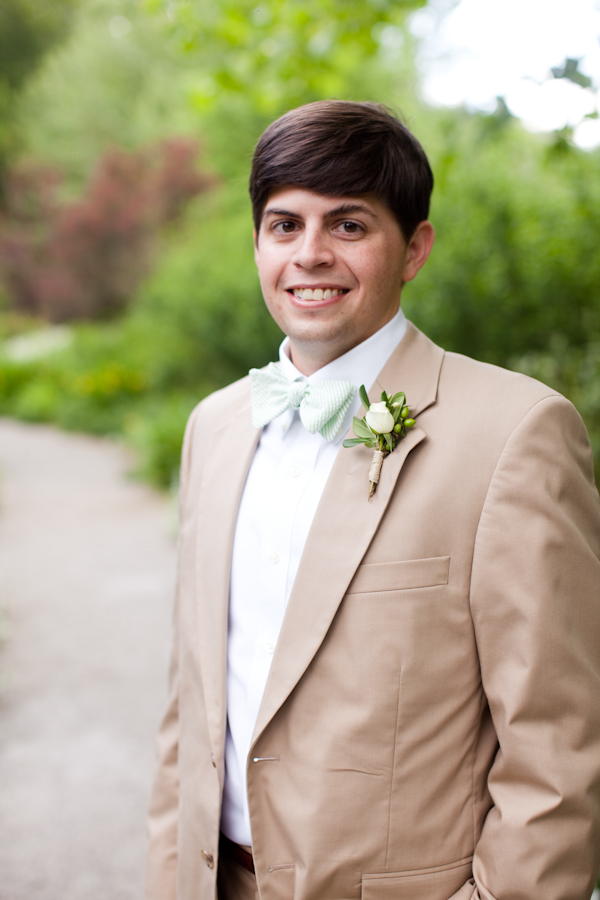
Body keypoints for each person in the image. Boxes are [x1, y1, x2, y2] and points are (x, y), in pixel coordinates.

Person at [144, 101, 600, 900]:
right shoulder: (214, 426)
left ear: (414, 248)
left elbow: (559, 746)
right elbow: (191, 706)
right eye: (284, 226)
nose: (310, 255)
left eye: (348, 226)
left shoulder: (516, 433)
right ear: (257, 243)